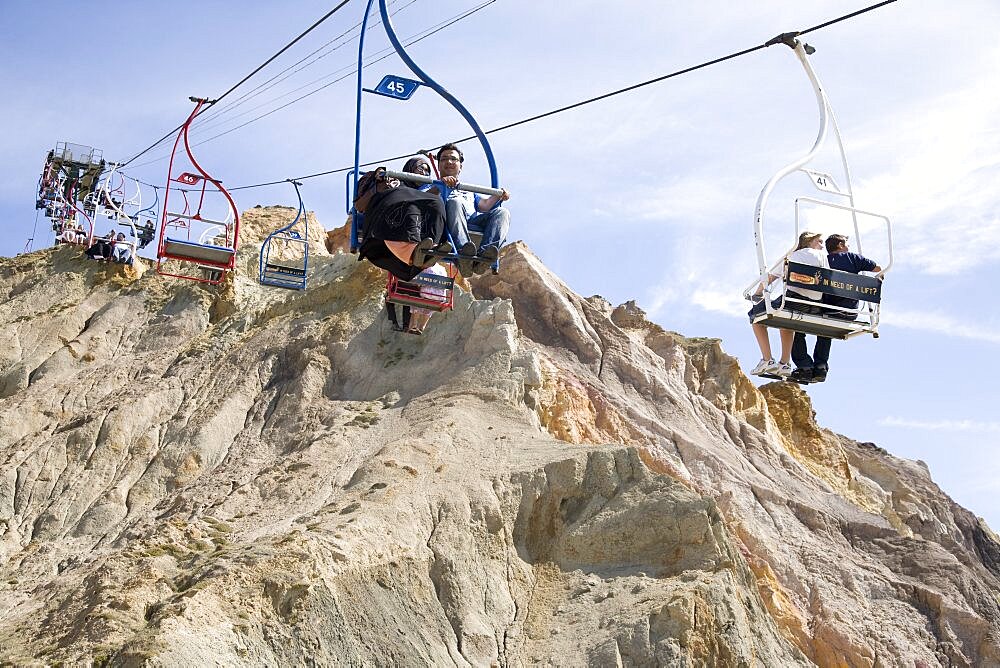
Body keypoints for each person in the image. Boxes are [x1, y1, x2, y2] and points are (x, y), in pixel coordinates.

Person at [790, 234, 882, 383]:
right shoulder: (854, 258)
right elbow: (877, 268)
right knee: (826, 331)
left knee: (797, 326)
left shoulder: (825, 260)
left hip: (827, 310)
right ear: (840, 245)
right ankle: (820, 367)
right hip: (851, 313)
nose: (848, 247)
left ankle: (805, 367)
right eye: (846, 244)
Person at [748, 231, 829, 378]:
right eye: (820, 241)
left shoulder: (793, 256)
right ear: (809, 241)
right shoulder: (825, 258)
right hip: (816, 305)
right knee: (786, 320)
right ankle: (784, 363)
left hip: (795, 301)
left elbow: (770, 277)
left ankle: (767, 359)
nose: (822, 245)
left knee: (755, 315)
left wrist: (758, 293)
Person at [354, 168, 451, 281]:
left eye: (426, 170)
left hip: (406, 209)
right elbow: (359, 206)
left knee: (436, 202)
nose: (422, 172)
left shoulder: (410, 190)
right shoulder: (377, 180)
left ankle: (431, 249)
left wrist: (439, 187)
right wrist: (378, 180)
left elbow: (424, 197)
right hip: (382, 217)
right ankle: (414, 251)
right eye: (419, 167)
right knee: (407, 205)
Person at [435, 143, 510, 275]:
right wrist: (440, 186)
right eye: (444, 159)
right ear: (439, 165)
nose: (449, 162)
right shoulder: (432, 185)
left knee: (502, 212)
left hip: (471, 221)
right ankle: (463, 251)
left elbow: (485, 206)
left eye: (453, 159)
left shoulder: (468, 192)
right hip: (446, 222)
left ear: (460, 166)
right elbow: (422, 199)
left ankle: (484, 255)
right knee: (455, 202)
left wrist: (499, 196)